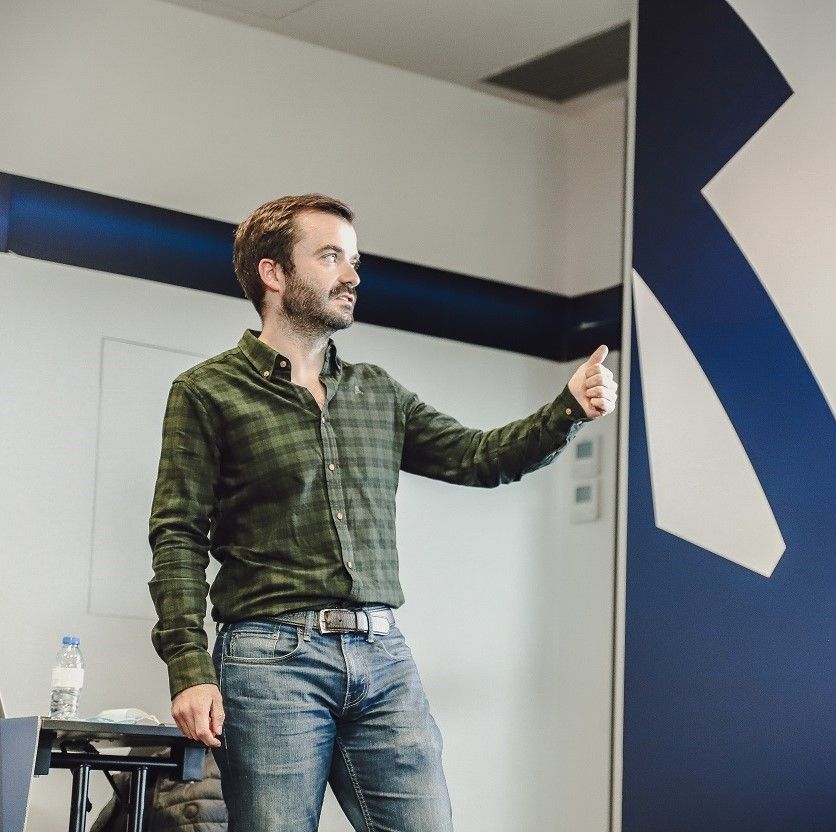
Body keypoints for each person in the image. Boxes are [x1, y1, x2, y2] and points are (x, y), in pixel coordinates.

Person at [147, 193, 617, 832]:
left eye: (355, 260)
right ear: (273, 273)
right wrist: (189, 668)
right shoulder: (208, 391)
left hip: (382, 654)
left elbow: (478, 457)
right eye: (330, 256)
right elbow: (178, 535)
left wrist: (567, 407)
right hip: (269, 660)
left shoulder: (377, 392)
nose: (352, 276)